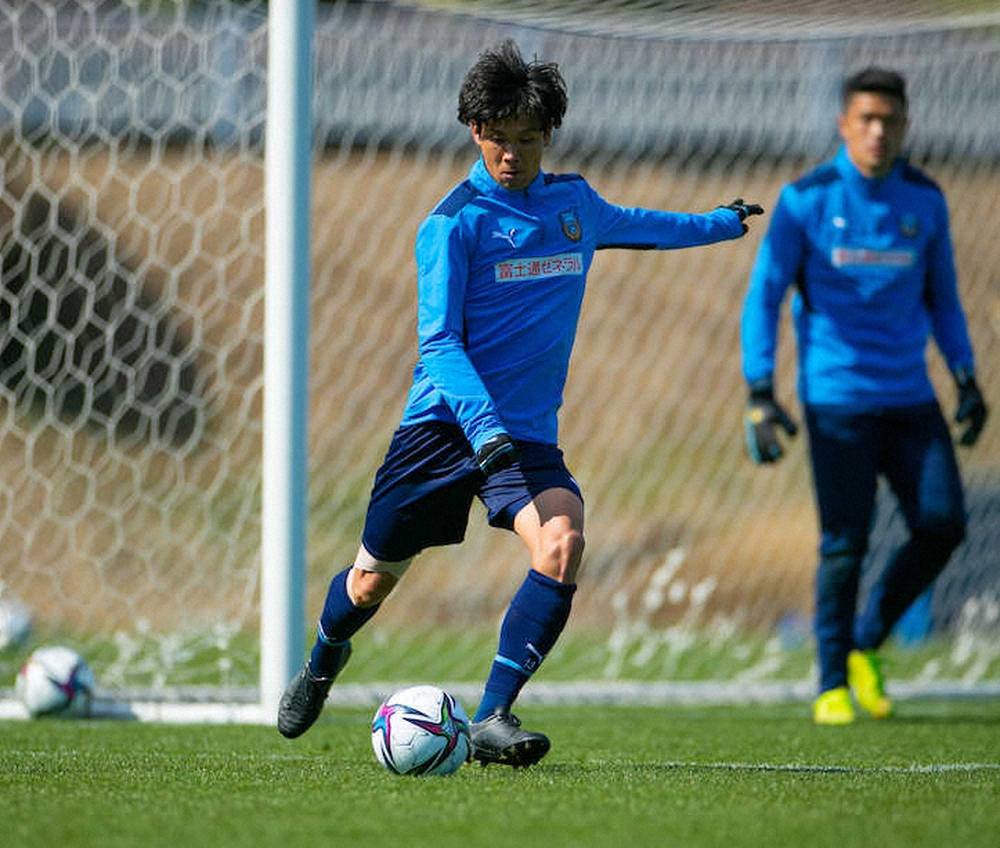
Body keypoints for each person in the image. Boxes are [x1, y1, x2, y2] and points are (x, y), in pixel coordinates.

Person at [278, 39, 762, 765]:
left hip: (525, 435)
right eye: (498, 137)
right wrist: (483, 430)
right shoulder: (454, 223)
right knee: (371, 581)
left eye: (527, 138)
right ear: (475, 130)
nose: (511, 153)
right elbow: (439, 345)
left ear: (549, 134)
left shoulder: (575, 206)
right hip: (444, 430)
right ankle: (324, 657)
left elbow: (645, 224)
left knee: (563, 543)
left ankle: (491, 717)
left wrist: (720, 222)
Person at [740, 67, 988, 725]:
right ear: (844, 124)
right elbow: (765, 295)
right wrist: (760, 388)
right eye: (867, 119)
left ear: (905, 127)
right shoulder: (806, 199)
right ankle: (830, 684)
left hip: (910, 397)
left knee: (943, 525)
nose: (879, 131)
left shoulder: (925, 199)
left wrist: (965, 376)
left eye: (890, 121)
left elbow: (944, 299)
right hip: (837, 398)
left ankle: (864, 642)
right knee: (844, 543)